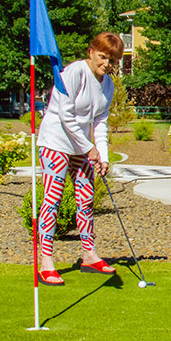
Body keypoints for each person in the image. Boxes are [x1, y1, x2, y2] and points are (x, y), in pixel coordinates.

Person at [35, 32, 124, 286]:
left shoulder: (108, 85)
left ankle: (88, 255)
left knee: (86, 197)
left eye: (112, 60)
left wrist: (103, 156)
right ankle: (47, 262)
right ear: (91, 52)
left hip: (81, 148)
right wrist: (89, 148)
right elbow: (66, 114)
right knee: (52, 199)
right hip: (56, 142)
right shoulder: (73, 73)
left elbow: (100, 121)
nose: (106, 64)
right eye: (102, 56)